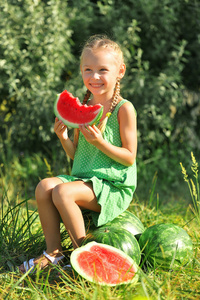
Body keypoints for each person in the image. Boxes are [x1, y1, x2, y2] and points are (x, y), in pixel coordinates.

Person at [19, 34, 137, 273]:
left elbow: (129, 157)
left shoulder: (124, 109)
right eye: (88, 69)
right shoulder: (83, 107)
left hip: (112, 185)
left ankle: (86, 257)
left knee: (62, 192)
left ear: (120, 71)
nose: (94, 76)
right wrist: (63, 137)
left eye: (103, 69)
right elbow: (76, 156)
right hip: (84, 181)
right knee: (44, 186)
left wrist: (101, 143)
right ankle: (54, 253)